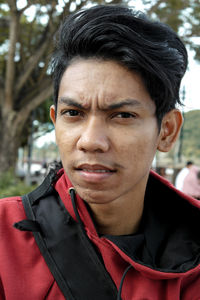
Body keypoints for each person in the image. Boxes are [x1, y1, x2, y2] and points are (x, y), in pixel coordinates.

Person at [1, 5, 200, 300]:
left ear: (167, 131)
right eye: (74, 113)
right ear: (55, 122)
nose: (91, 141)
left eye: (122, 116)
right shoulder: (5, 240)